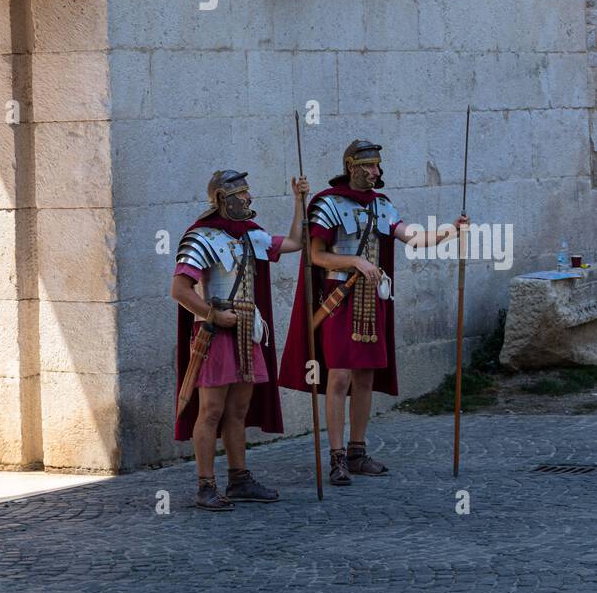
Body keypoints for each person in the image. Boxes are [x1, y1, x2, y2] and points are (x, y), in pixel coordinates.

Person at [279, 140, 469, 487]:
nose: (376, 172)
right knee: (338, 376)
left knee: (364, 376)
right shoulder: (327, 204)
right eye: (368, 166)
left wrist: (450, 231)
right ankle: (336, 457)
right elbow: (315, 256)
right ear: (351, 166)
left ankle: (357, 451)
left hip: (373, 301)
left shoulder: (382, 205)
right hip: (339, 299)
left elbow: (412, 236)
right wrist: (354, 260)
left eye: (377, 166)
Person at [172, 169, 310, 510]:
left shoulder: (252, 234)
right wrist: (214, 315)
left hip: (248, 331)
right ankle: (206, 485)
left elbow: (295, 243)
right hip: (216, 334)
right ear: (222, 199)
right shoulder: (200, 237)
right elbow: (179, 289)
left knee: (238, 410)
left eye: (248, 193)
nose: (249, 199)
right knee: (211, 411)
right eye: (242, 194)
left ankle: (239, 479)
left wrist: (299, 201)